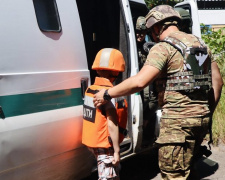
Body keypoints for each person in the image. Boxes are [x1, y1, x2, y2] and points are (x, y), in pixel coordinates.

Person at [93, 5, 223, 180]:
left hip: (177, 125)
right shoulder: (201, 45)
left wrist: (107, 93)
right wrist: (207, 111)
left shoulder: (163, 48)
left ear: (156, 26)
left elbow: (140, 81)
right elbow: (218, 82)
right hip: (200, 121)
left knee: (174, 175)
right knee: (189, 170)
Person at [82, 48, 127, 180]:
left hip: (93, 143)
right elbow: (112, 124)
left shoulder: (90, 89)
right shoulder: (109, 95)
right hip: (105, 146)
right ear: (117, 72)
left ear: (97, 69)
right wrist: (117, 151)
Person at [136, 16, 158, 144]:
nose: (140, 35)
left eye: (143, 32)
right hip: (137, 80)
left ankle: (146, 131)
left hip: (147, 80)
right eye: (138, 32)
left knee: (151, 103)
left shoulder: (150, 46)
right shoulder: (132, 45)